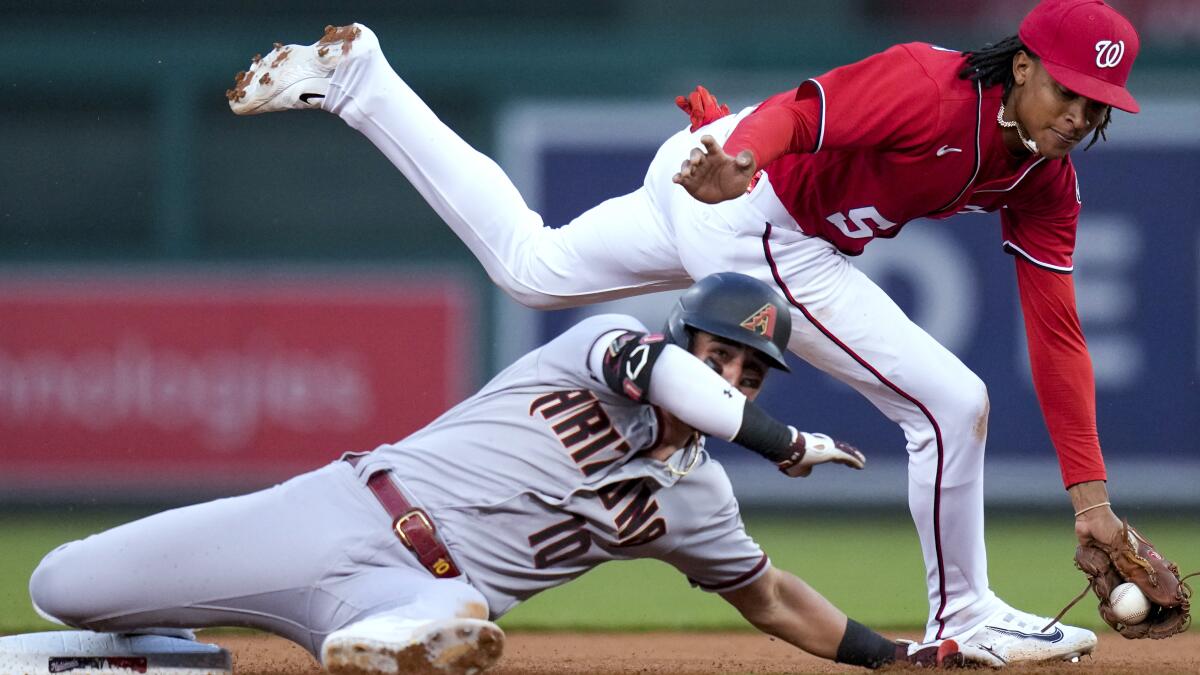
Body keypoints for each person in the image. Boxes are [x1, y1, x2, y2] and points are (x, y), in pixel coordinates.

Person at [223, 0, 1139, 665]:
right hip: (750, 203)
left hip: (714, 180)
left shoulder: (1044, 179)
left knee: (530, 267)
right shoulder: (931, 88)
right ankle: (965, 614)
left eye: (1099, 104)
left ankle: (361, 81)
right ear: (1022, 64)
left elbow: (1057, 333)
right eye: (1070, 89)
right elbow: (806, 112)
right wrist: (743, 161)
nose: (1080, 115)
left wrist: (1090, 501)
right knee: (951, 400)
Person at [8, 273, 966, 675]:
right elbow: (666, 376)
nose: (733, 377)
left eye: (752, 372)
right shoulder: (605, 346)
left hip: (424, 585)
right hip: (337, 507)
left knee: (460, 618)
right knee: (62, 585)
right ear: (685, 341)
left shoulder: (698, 496)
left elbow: (770, 597)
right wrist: (785, 439)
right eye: (723, 355)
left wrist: (893, 655)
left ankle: (391, 641)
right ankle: (167, 647)